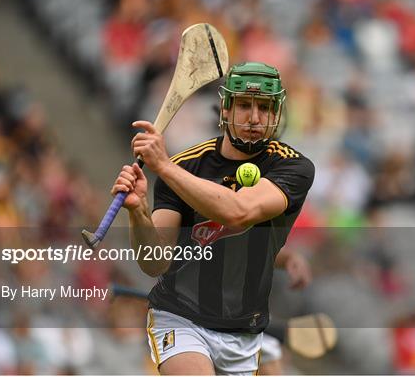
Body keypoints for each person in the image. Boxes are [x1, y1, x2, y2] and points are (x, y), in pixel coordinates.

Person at [111, 62, 315, 375]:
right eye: (244, 105)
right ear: (225, 110)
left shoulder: (293, 168)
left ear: (277, 114)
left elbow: (239, 212)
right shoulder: (184, 168)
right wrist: (138, 212)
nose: (254, 117)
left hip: (243, 331)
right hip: (181, 317)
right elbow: (155, 263)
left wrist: (164, 167)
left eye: (264, 107)